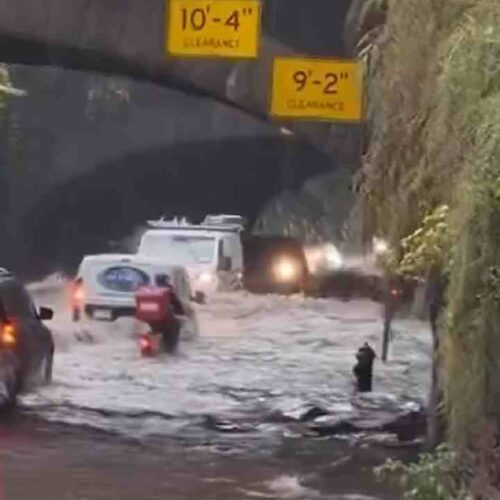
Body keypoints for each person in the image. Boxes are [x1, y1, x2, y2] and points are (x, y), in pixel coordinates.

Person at [152, 274, 185, 353]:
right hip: (167, 321)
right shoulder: (168, 291)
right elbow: (177, 304)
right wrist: (181, 313)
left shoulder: (151, 291)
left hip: (151, 322)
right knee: (176, 327)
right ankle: (171, 349)